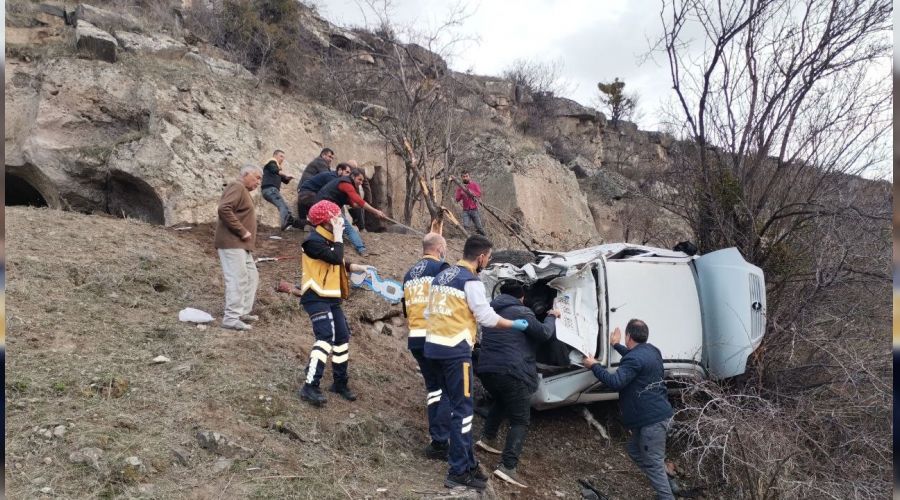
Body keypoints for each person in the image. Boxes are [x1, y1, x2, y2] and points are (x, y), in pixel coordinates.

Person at [424, 235, 530, 491]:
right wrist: (513, 324)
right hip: (455, 352)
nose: (488, 262)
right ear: (481, 256)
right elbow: (486, 317)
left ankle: (469, 463)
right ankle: (458, 471)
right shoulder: (470, 281)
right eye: (489, 258)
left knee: (450, 403)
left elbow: (429, 312)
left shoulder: (442, 276)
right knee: (463, 411)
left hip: (433, 348)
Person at [474, 281, 559, 488]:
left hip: (486, 370)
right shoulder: (521, 311)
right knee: (520, 420)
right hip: (512, 371)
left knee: (502, 400)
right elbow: (544, 334)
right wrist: (551, 316)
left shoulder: (490, 310)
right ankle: (508, 467)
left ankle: (487, 438)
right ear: (522, 297)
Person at [583, 320, 676, 500]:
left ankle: (667, 496)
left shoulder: (635, 358)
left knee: (654, 464)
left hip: (652, 421)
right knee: (634, 450)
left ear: (629, 336)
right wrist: (616, 345)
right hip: (655, 416)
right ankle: (668, 485)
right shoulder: (652, 350)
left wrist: (594, 365)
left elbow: (616, 382)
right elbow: (633, 360)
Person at [297, 200, 371, 407]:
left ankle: (340, 382)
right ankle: (310, 385)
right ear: (326, 221)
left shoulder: (327, 239)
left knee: (342, 337)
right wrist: (339, 237)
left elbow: (336, 259)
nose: (341, 220)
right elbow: (333, 257)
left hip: (331, 297)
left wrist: (354, 267)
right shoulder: (312, 241)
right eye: (336, 217)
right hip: (315, 296)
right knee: (324, 337)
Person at [402, 233, 452, 460]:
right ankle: (441, 441)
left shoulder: (408, 274)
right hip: (436, 336)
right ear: (440, 247)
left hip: (416, 338)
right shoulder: (442, 268)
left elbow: (406, 310)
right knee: (449, 388)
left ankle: (436, 438)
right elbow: (451, 301)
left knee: (434, 389)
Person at [214, 165, 262, 331]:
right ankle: (231, 318)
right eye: (256, 177)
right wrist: (242, 231)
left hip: (241, 245)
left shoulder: (243, 191)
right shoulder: (237, 186)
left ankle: (242, 312)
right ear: (246, 174)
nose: (258, 182)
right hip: (232, 242)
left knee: (251, 277)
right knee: (237, 278)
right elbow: (224, 208)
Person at [316, 168, 386, 257]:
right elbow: (359, 201)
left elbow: (354, 204)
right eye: (359, 179)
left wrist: (371, 210)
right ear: (353, 177)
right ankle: (361, 249)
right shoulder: (346, 183)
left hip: (321, 206)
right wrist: (376, 211)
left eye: (362, 181)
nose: (361, 183)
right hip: (326, 207)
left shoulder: (346, 185)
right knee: (349, 229)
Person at [297, 163, 352, 228]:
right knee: (326, 211)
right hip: (307, 195)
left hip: (306, 195)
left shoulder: (332, 176)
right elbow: (334, 197)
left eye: (350, 173)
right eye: (347, 172)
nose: (348, 175)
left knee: (319, 216)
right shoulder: (333, 178)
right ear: (340, 170)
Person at [260, 149, 297, 231]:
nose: (282, 159)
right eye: (281, 156)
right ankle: (285, 225)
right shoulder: (271, 162)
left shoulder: (277, 167)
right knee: (283, 206)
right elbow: (275, 170)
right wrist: (286, 174)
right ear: (275, 155)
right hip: (270, 189)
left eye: (283, 157)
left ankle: (289, 224)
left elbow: (285, 180)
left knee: (286, 207)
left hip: (270, 190)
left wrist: (288, 178)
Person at [453, 171, 486, 236]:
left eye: (466, 176)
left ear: (469, 176)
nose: (465, 178)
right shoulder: (460, 187)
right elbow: (457, 199)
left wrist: (471, 193)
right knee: (465, 226)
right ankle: (468, 240)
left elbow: (479, 194)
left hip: (474, 209)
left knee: (479, 227)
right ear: (461, 178)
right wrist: (461, 193)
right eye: (463, 176)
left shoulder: (474, 185)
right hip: (465, 210)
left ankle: (485, 239)